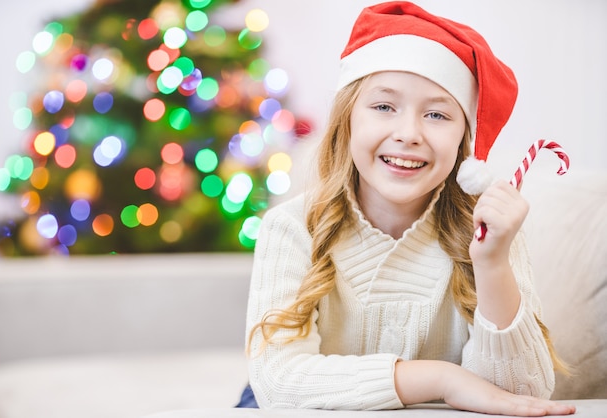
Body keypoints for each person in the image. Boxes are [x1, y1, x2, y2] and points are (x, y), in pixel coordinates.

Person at [239, 2, 576, 415]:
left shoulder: (492, 234)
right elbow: (278, 384)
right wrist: (442, 379)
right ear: (347, 121)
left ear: (462, 143)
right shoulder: (290, 228)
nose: (409, 134)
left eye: (437, 114)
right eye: (384, 107)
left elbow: (522, 393)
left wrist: (492, 266)